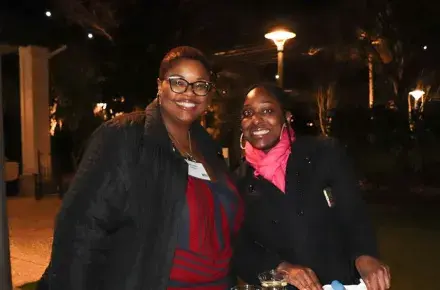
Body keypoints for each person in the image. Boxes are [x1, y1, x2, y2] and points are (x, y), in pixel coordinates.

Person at [37, 46, 243, 290]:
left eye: (200, 85)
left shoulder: (209, 148)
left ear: (208, 95)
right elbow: (80, 232)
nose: (189, 93)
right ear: (159, 85)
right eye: (178, 82)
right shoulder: (124, 137)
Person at [232, 84, 390, 290]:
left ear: (287, 118)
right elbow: (240, 247)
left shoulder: (323, 154)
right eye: (247, 113)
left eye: (268, 111)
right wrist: (282, 268)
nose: (256, 119)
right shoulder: (237, 182)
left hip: (339, 282)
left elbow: (353, 213)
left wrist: (365, 255)